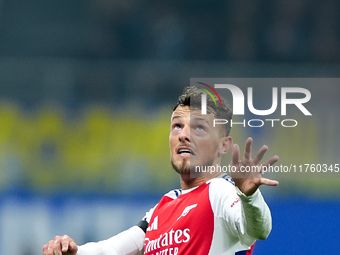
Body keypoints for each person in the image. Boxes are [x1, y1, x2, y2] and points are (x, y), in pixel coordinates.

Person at [43, 86, 279, 255]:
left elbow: (258, 229)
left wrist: (249, 197)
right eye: (177, 126)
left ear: (224, 145)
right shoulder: (162, 208)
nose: (184, 135)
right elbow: (111, 249)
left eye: (199, 127)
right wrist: (74, 252)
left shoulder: (220, 192)